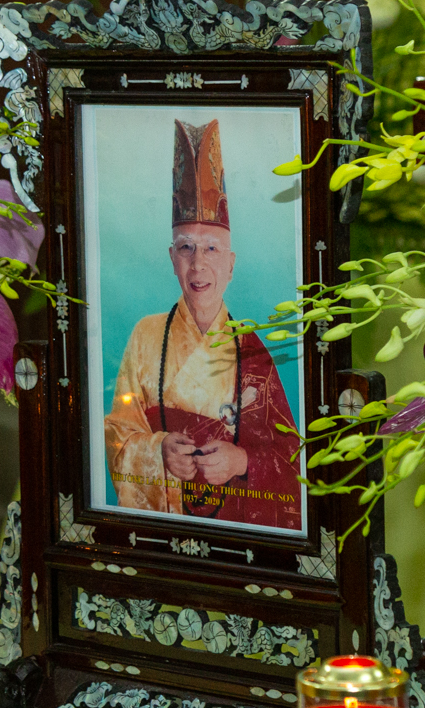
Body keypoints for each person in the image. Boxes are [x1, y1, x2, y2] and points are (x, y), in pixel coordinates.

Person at [103, 118, 300, 530]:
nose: (198, 264)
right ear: (171, 258)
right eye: (186, 248)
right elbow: (118, 435)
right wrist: (157, 451)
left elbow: (291, 459)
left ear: (231, 265)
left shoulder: (251, 351)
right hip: (161, 529)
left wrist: (241, 461)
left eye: (211, 249)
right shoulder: (145, 336)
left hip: (230, 532)